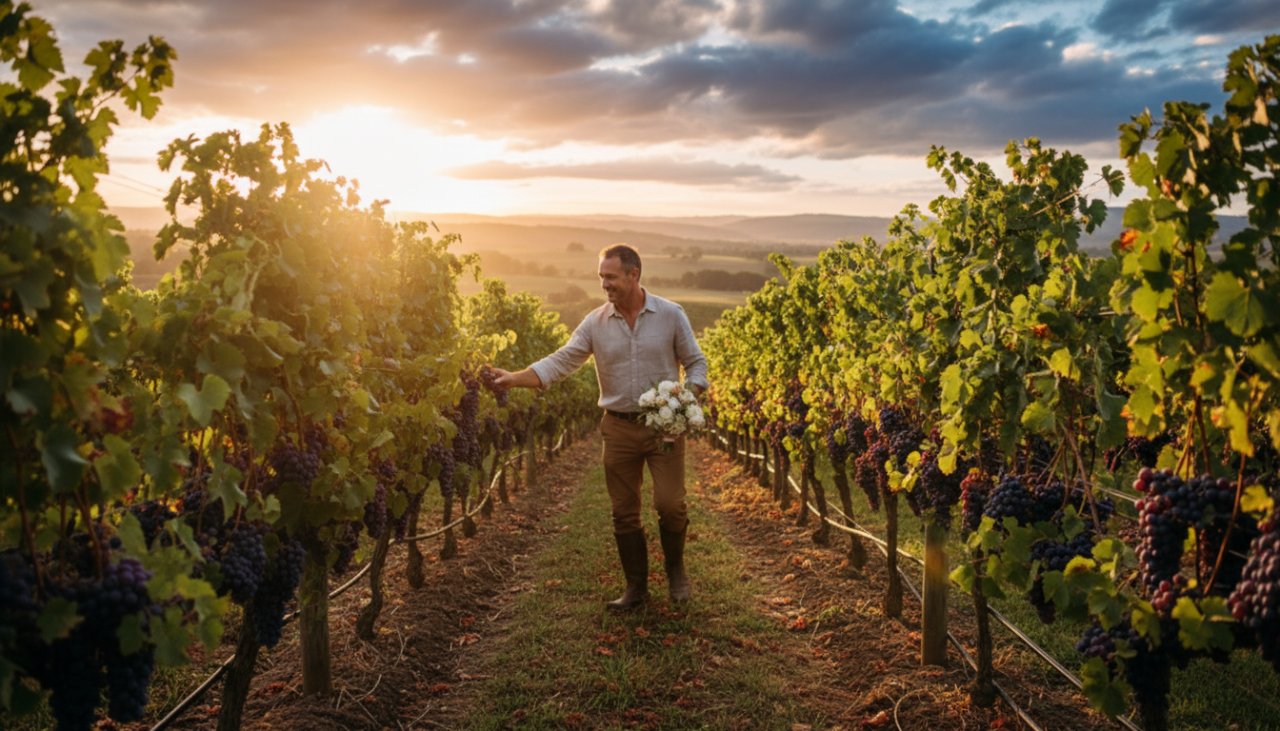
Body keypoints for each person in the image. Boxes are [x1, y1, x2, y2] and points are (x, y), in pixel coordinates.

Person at [488, 244, 709, 610]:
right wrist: (514, 378)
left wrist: (687, 397)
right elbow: (561, 361)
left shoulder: (671, 314)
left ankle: (676, 570)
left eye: (611, 277)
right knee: (623, 511)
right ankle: (636, 589)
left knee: (670, 504)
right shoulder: (595, 322)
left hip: (665, 429)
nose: (604, 284)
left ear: (633, 274)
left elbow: (696, 363)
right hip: (618, 428)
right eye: (601, 277)